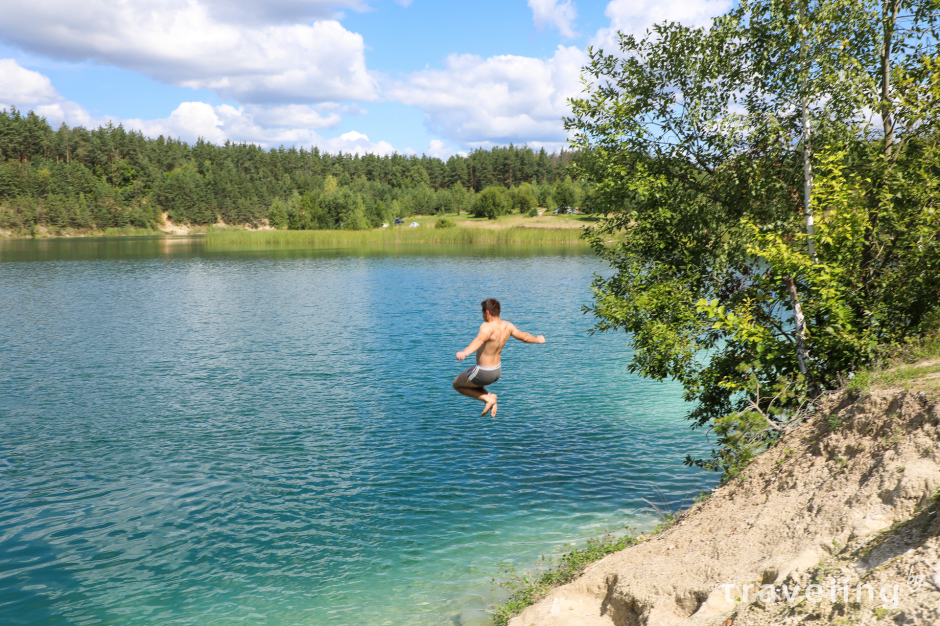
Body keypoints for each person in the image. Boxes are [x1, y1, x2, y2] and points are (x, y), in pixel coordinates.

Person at [453, 298, 546, 417]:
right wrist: (538, 340)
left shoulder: (487, 327)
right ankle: (490, 398)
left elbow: (479, 340)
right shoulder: (508, 326)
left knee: (457, 384)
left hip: (483, 371)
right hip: (497, 371)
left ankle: (488, 399)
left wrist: (465, 352)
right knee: (472, 380)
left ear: (487, 313)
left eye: (482, 313)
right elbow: (524, 337)